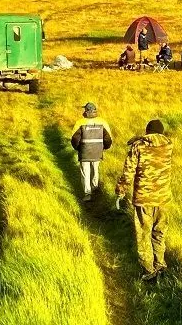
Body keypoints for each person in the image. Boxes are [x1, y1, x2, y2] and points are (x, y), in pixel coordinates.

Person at [115, 119, 174, 281]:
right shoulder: (168, 145)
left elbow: (128, 172)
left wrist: (120, 191)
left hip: (144, 198)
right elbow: (156, 140)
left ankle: (148, 270)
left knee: (143, 235)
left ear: (147, 131)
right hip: (163, 199)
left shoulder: (138, 146)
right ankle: (160, 264)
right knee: (159, 233)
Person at [71, 102, 113, 201]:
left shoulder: (80, 122)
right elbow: (108, 138)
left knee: (85, 172)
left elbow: (74, 139)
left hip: (84, 151)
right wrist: (104, 147)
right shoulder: (102, 122)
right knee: (95, 171)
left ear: (86, 111)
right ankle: (95, 190)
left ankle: (88, 194)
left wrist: (78, 148)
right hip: (97, 151)